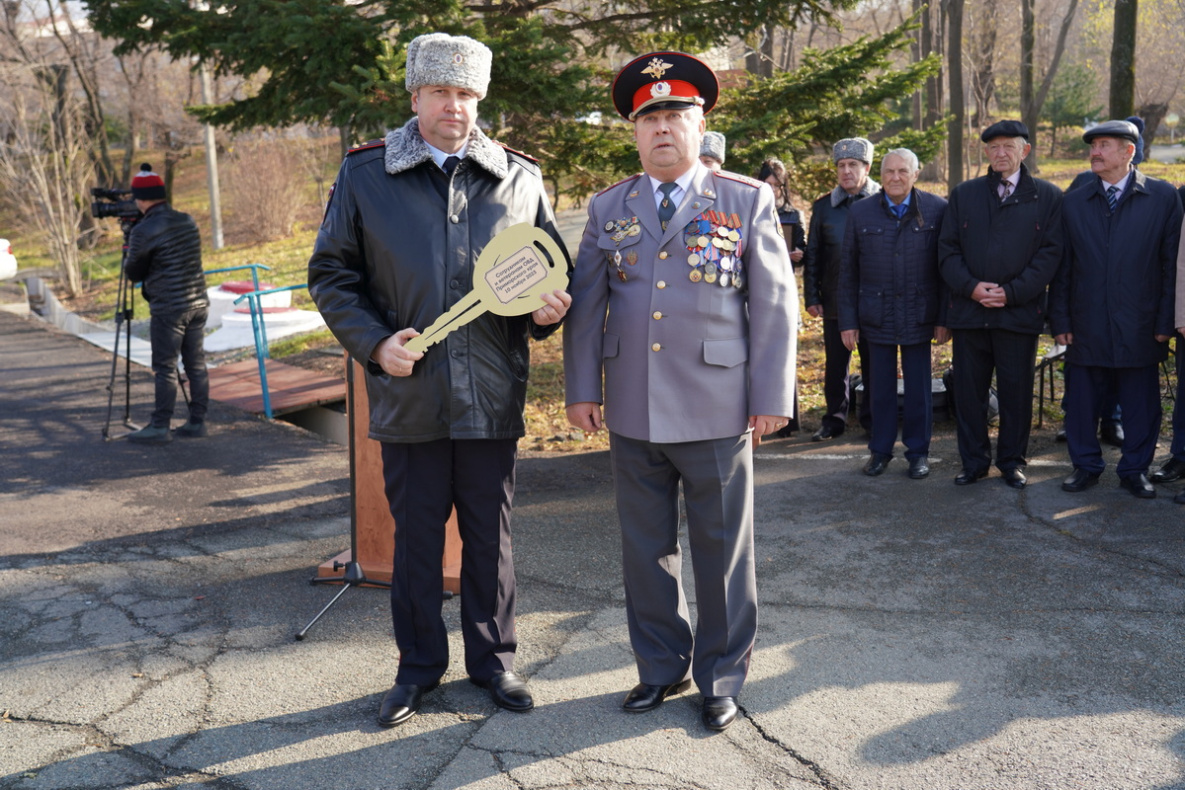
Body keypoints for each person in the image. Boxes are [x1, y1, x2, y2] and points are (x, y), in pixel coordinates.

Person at [307, 32, 571, 727]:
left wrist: (548, 312)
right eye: (440, 93)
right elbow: (331, 274)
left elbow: (546, 272)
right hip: (410, 395)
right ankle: (417, 669)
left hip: (490, 396)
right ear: (415, 96)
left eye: (466, 94)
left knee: (491, 540)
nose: (454, 106)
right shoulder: (365, 176)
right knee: (416, 543)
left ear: (478, 99)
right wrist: (372, 344)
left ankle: (495, 664)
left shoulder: (520, 177)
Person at [563, 51, 796, 732]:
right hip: (633, 407)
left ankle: (719, 677)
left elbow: (775, 304)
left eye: (675, 114)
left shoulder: (744, 198)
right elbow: (585, 306)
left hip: (718, 404)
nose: (662, 127)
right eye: (649, 118)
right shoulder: (609, 206)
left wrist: (771, 392)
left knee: (722, 551)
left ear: (699, 125)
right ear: (634, 133)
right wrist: (582, 389)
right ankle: (659, 669)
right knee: (644, 549)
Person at [1050, 119, 1181, 498]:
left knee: (1141, 405)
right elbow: (1063, 268)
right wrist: (1060, 320)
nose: (1094, 152)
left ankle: (1134, 469)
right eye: (1092, 146)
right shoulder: (1074, 200)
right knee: (1081, 403)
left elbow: (1170, 266)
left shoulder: (1161, 197)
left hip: (1141, 323)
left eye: (1104, 145)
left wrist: (1164, 322)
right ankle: (1085, 466)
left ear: (1129, 152)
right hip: (1085, 322)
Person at [938, 120, 1062, 489]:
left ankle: (1011, 461)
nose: (1000, 153)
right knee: (969, 393)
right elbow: (946, 251)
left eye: (1008, 146)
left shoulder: (1047, 196)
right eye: (993, 148)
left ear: (1025, 151)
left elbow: (1050, 256)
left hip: (1018, 314)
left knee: (1015, 393)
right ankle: (974, 462)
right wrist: (973, 287)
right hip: (970, 313)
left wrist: (1011, 293)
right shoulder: (965, 194)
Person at [837, 149, 948, 478]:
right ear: (879, 175)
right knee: (879, 389)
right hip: (876, 313)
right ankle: (880, 450)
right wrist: (848, 322)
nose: (895, 178)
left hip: (919, 313)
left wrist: (943, 319)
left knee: (919, 389)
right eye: (889, 172)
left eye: (903, 171)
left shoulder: (937, 209)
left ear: (916, 175)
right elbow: (848, 272)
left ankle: (918, 453)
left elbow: (945, 270)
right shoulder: (861, 213)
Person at [123, 164, 209, 445]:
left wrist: (130, 241)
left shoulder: (144, 229)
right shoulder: (187, 220)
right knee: (195, 364)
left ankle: (160, 426)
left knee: (165, 367)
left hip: (169, 307)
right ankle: (197, 423)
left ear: (143, 199)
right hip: (198, 302)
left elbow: (133, 272)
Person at [802, 138, 880, 442]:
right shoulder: (824, 207)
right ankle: (834, 419)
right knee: (836, 365)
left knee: (875, 364)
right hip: (834, 301)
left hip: (873, 300)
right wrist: (812, 297)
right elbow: (814, 256)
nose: (846, 171)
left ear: (867, 168)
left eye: (853, 165)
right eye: (841, 165)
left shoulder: (882, 201)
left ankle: (873, 421)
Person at [760, 156, 805, 437]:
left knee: (785, 353)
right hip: (755, 292)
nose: (773, 190)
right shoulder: (747, 208)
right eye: (768, 184)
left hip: (785, 289)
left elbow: (803, 252)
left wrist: (798, 255)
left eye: (777, 185)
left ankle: (788, 421)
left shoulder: (793, 214)